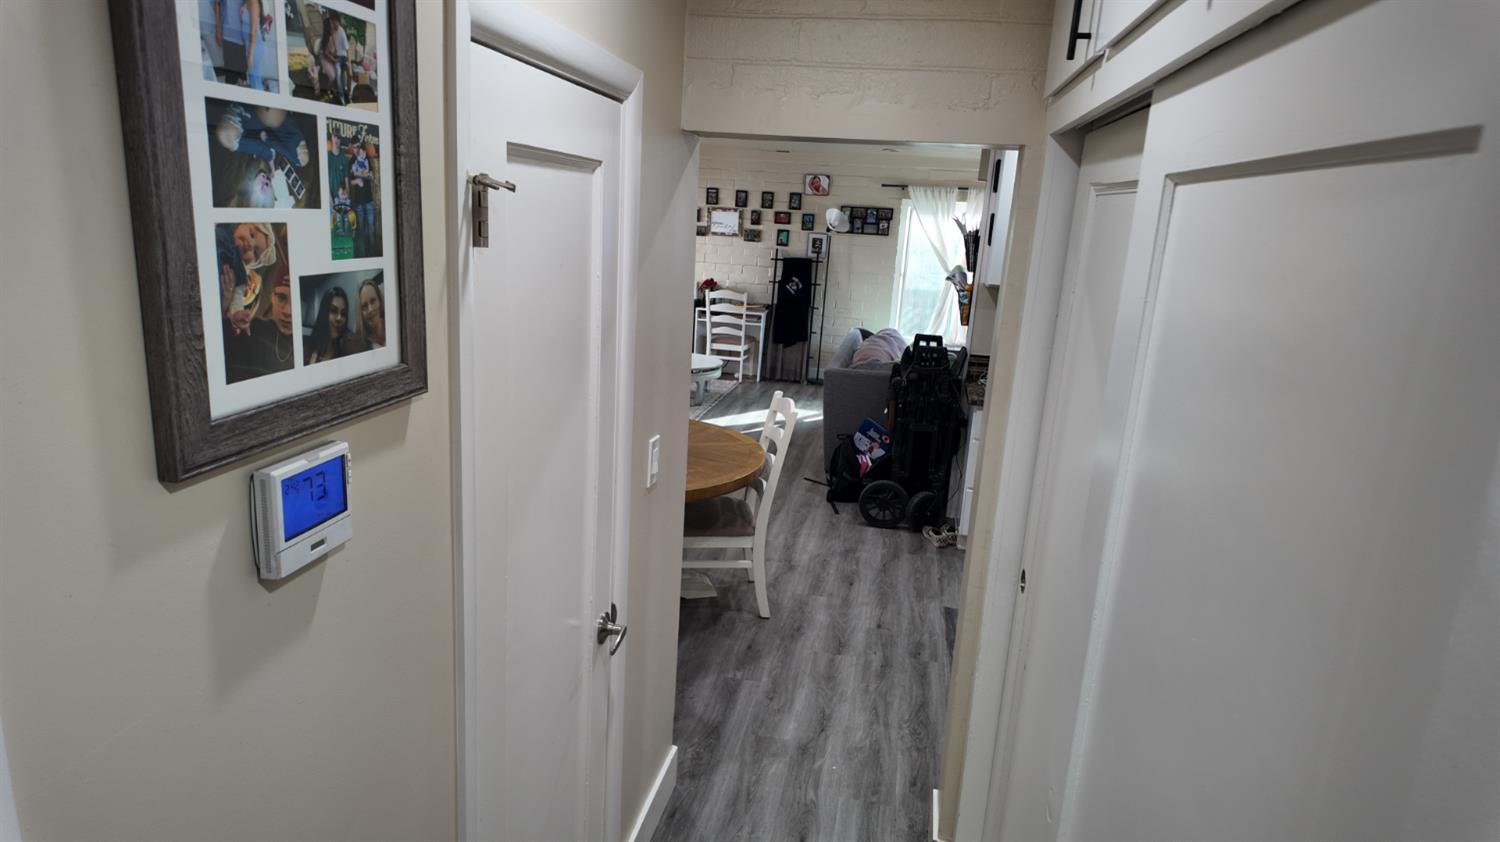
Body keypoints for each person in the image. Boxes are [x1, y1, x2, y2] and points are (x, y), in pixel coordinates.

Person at [223, 262, 295, 382]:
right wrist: (225, 309)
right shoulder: (253, 329)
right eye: (281, 298)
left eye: (297, 300)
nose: (287, 311)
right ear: (272, 297)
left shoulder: (310, 349)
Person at [304, 287, 370, 364]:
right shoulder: (308, 348)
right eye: (333, 310)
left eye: (343, 313)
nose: (339, 318)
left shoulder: (350, 346)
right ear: (323, 312)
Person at [211, 0, 250, 85]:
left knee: (242, 74)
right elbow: (217, 5)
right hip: (228, 34)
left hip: (242, 36)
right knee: (231, 75)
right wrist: (218, 30)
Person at [348, 145, 376, 256]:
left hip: (369, 200)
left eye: (364, 153)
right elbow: (351, 180)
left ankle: (372, 250)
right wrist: (358, 179)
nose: (363, 154)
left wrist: (366, 174)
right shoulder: (353, 162)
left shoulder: (367, 161)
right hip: (358, 201)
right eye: (361, 152)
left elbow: (371, 176)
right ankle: (363, 251)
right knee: (361, 227)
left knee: (371, 226)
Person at [357, 278, 385, 348]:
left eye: (373, 301)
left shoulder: (392, 324)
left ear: (380, 300)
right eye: (364, 306)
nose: (370, 309)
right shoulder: (361, 344)